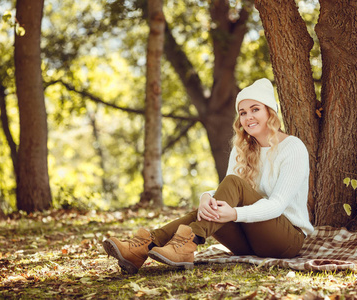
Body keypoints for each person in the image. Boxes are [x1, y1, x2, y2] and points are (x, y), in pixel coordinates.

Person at [102, 78, 314, 274]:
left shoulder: (292, 148)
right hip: (250, 241)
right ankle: (142, 248)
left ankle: (184, 242)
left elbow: (276, 205)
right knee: (208, 208)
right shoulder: (242, 149)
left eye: (255, 109)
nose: (248, 117)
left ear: (270, 112)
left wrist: (234, 215)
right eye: (242, 112)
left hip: (286, 240)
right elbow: (228, 194)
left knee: (230, 185)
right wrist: (207, 196)